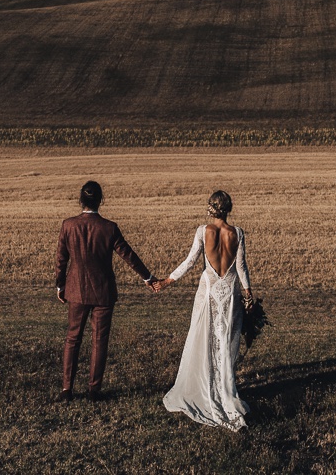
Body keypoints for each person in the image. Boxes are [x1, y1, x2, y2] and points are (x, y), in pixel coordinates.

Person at [153, 190, 253, 431]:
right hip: (229, 293)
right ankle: (224, 389)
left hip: (208, 293)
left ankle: (205, 387)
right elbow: (241, 267)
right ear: (228, 209)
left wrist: (167, 281)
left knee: (204, 339)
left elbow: (189, 262)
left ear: (211, 208)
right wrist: (248, 293)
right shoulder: (237, 233)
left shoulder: (202, 231)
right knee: (225, 340)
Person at [55, 181, 156, 402]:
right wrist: (147, 277)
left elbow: (61, 259)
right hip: (103, 291)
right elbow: (129, 255)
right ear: (101, 200)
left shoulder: (68, 225)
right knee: (99, 340)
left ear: (80, 200)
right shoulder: (109, 228)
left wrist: (60, 285)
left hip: (76, 291)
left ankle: (66, 389)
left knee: (72, 338)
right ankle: (94, 390)